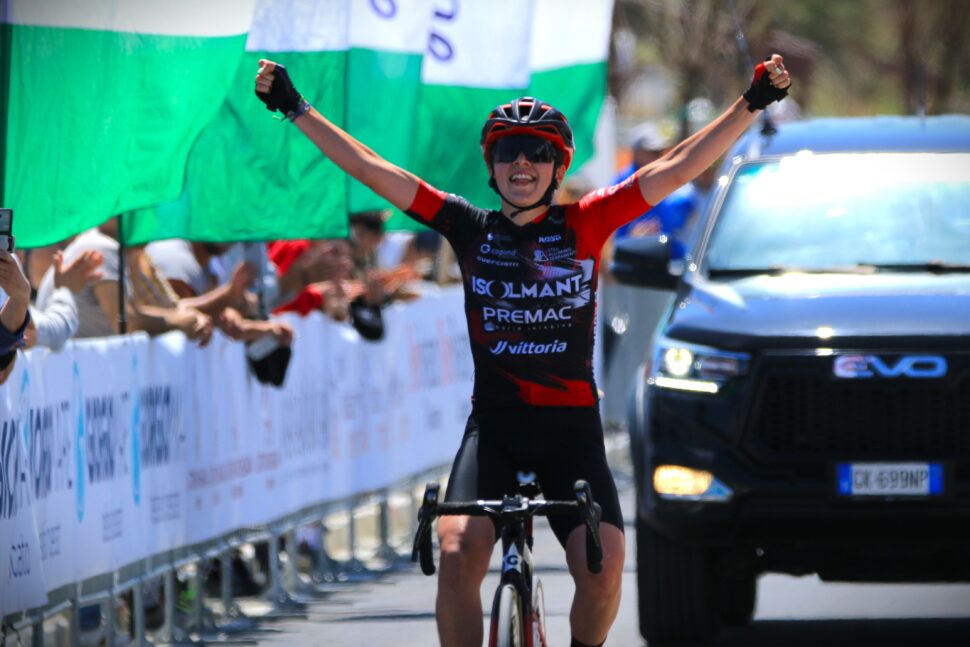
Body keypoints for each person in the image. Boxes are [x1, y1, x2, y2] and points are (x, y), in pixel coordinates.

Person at [255, 54, 791, 647]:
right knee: (456, 556)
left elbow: (677, 163)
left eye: (538, 152)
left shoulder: (587, 223)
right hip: (496, 431)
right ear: (491, 165)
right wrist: (296, 109)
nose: (522, 163)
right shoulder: (468, 228)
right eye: (509, 151)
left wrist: (751, 102)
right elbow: (372, 168)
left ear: (559, 166)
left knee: (603, 571)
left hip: (571, 436)